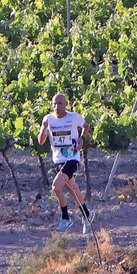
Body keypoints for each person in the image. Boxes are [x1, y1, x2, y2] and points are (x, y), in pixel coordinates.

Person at [37, 93, 91, 233]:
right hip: (58, 160)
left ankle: (66, 218)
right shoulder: (48, 119)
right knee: (73, 189)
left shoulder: (73, 117)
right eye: (54, 103)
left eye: (59, 103)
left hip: (72, 158)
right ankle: (87, 214)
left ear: (65, 104)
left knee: (56, 187)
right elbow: (41, 141)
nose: (56, 106)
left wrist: (82, 139)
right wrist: (43, 128)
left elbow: (86, 126)